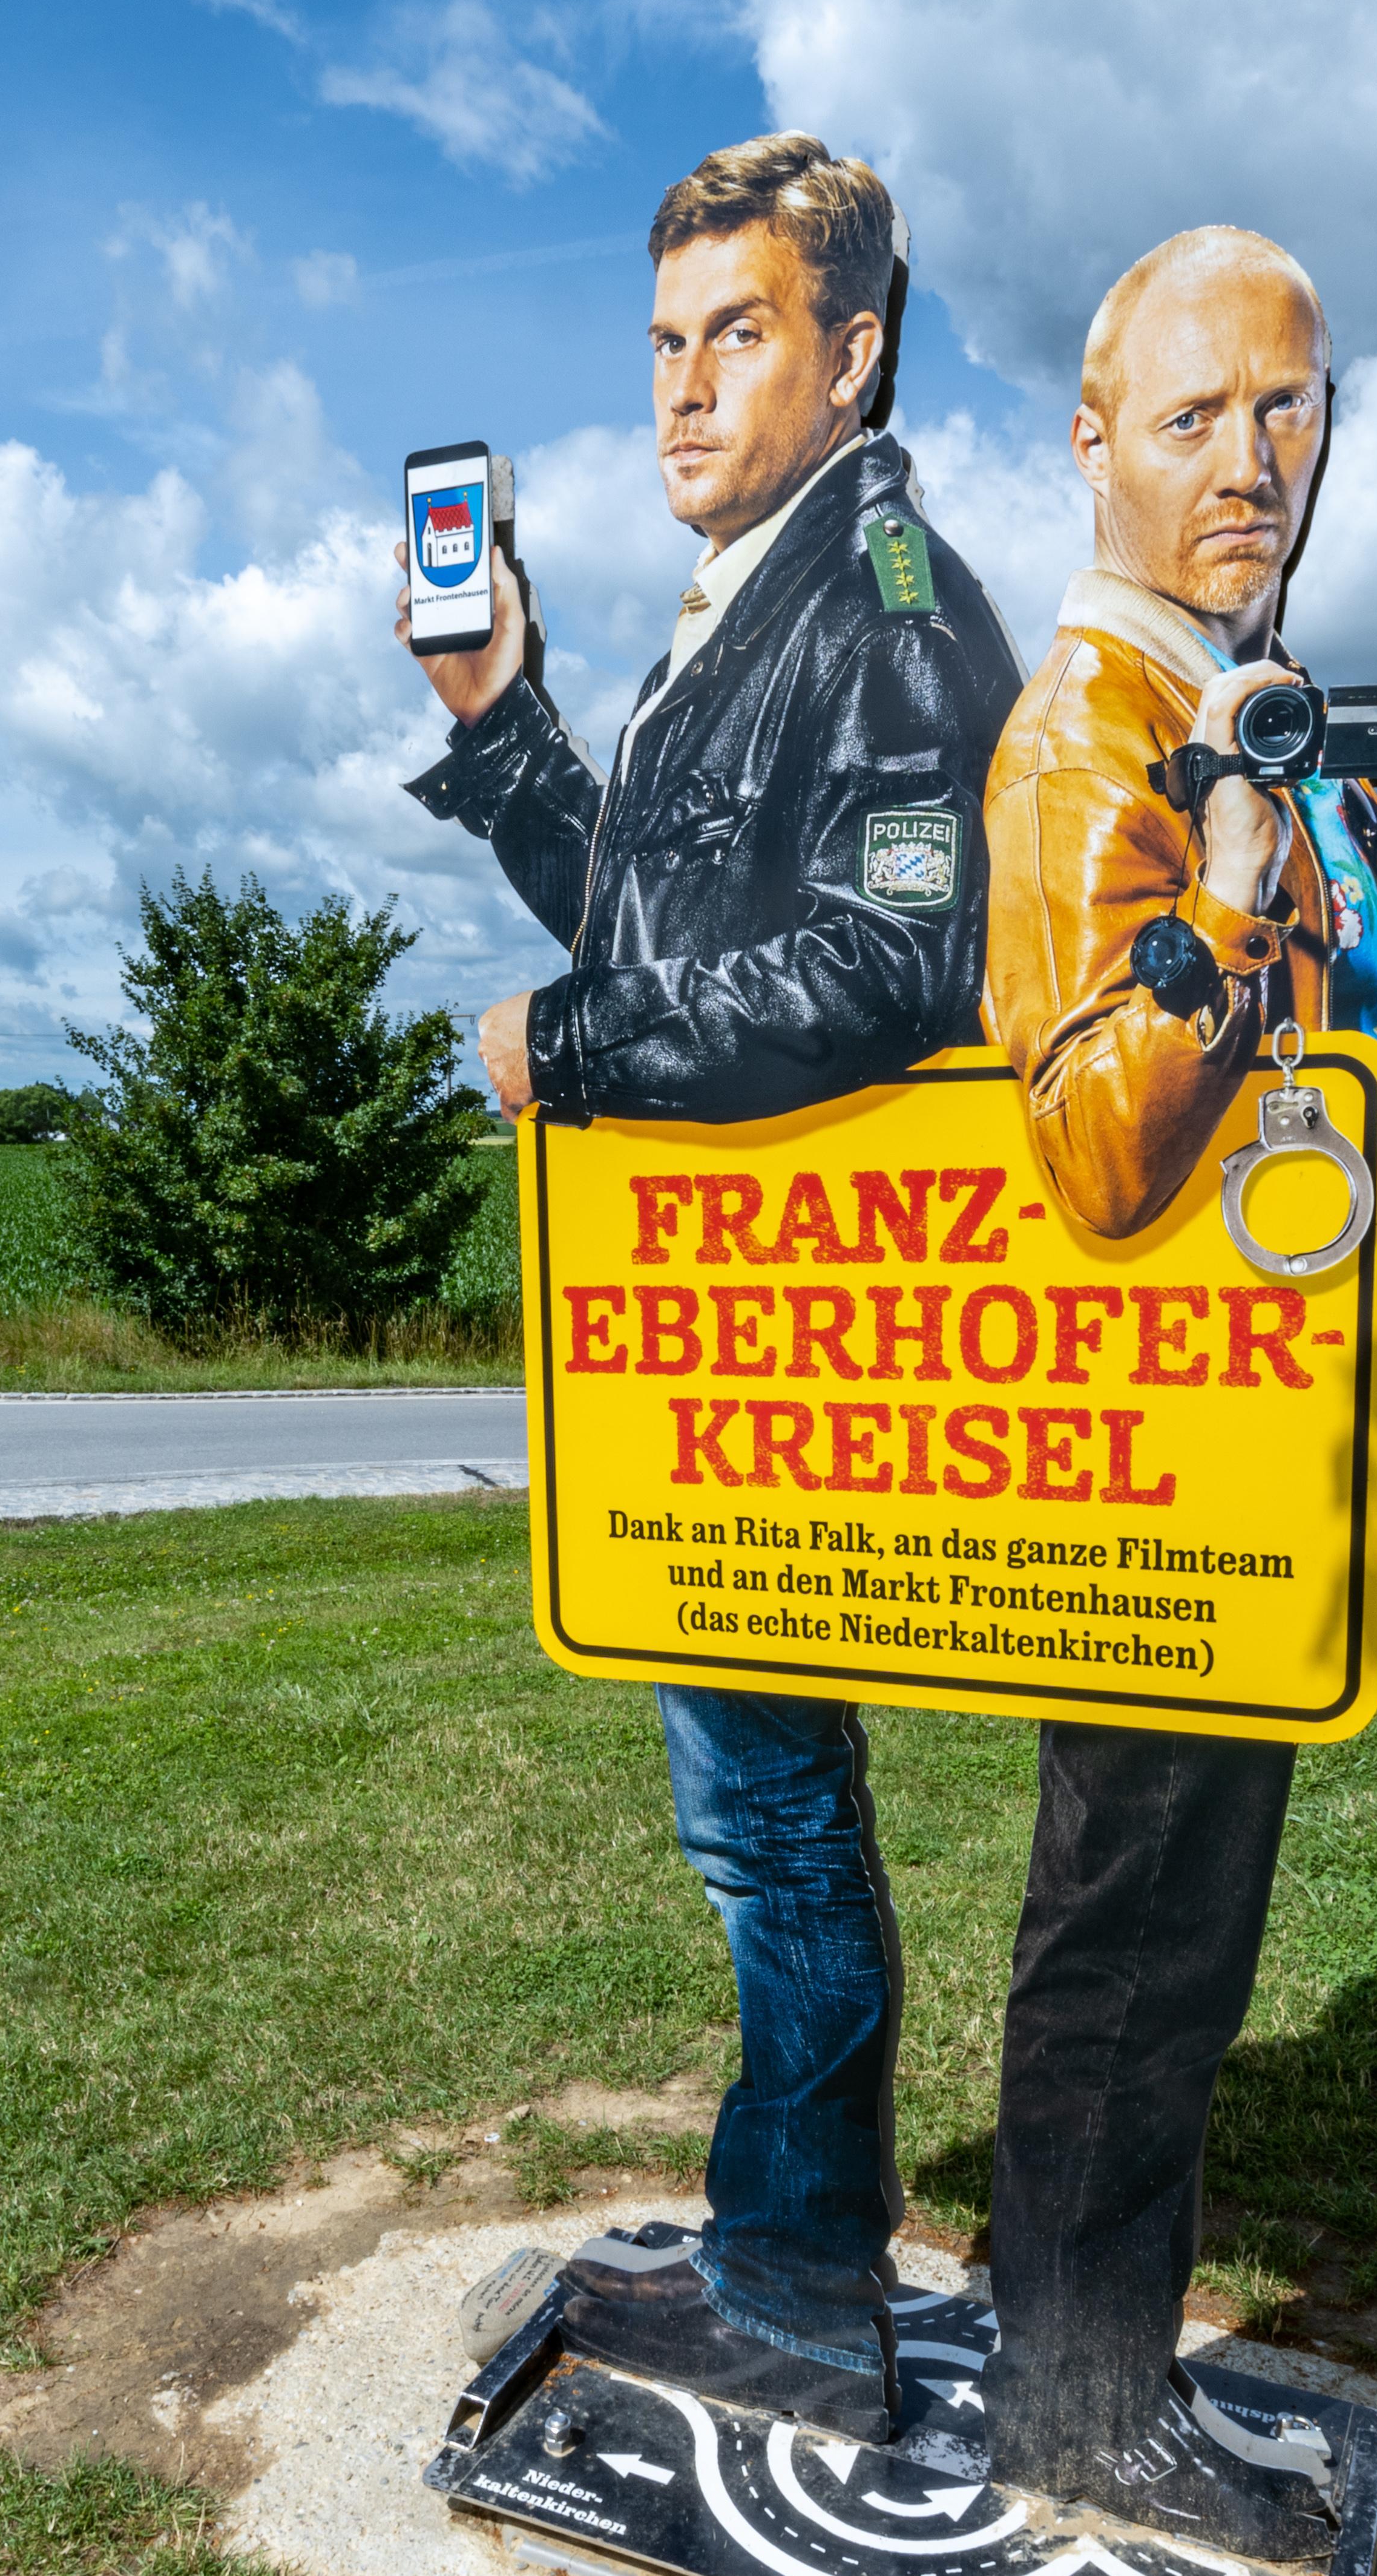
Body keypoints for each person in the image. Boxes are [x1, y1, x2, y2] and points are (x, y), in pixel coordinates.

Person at [401, 134, 1024, 2445]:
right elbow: (669, 917)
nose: (677, 389)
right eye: (660, 343)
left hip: (799, 1335)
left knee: (773, 1827)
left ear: (849, 348)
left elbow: (885, 959)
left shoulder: (881, 598)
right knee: (749, 1822)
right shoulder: (750, 589)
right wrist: (503, 725)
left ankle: (791, 2274)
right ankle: (794, 2243)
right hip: (703, 1331)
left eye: (733, 333)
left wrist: (557, 1049)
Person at [950, 224, 1377, 2555]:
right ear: (1093, 444)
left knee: (1181, 1932)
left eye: (1289, 408)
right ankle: (1068, 2399)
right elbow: (1086, 1141)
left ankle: (1084, 2350)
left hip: (1263, 1439)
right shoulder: (1092, 737)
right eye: (1191, 417)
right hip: (1159, 1472)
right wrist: (1238, 894)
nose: (1251, 460)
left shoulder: (1237, 702)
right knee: (1131, 1934)